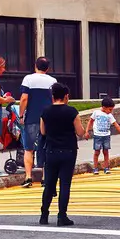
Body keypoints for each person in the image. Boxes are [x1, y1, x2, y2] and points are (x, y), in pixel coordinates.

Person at [38, 83, 81, 225]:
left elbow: (43, 131)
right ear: (66, 96)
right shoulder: (72, 112)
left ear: (53, 96)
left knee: (49, 184)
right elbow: (80, 132)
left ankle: (44, 214)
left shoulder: (45, 111)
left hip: (51, 151)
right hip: (68, 151)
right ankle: (62, 216)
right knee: (65, 184)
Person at [19, 56, 59, 182]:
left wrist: (20, 115)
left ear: (35, 66)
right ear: (47, 68)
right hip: (48, 119)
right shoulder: (53, 81)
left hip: (31, 117)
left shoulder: (28, 79)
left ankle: (28, 176)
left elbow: (24, 98)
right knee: (47, 147)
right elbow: (54, 100)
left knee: (28, 148)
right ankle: (44, 177)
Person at [90, 95, 120, 174]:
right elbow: (90, 121)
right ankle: (95, 168)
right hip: (97, 135)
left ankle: (106, 167)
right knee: (97, 152)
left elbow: (116, 124)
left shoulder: (109, 115)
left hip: (106, 136)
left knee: (106, 152)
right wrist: (87, 131)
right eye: (110, 109)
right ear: (104, 107)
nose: (111, 111)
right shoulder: (96, 113)